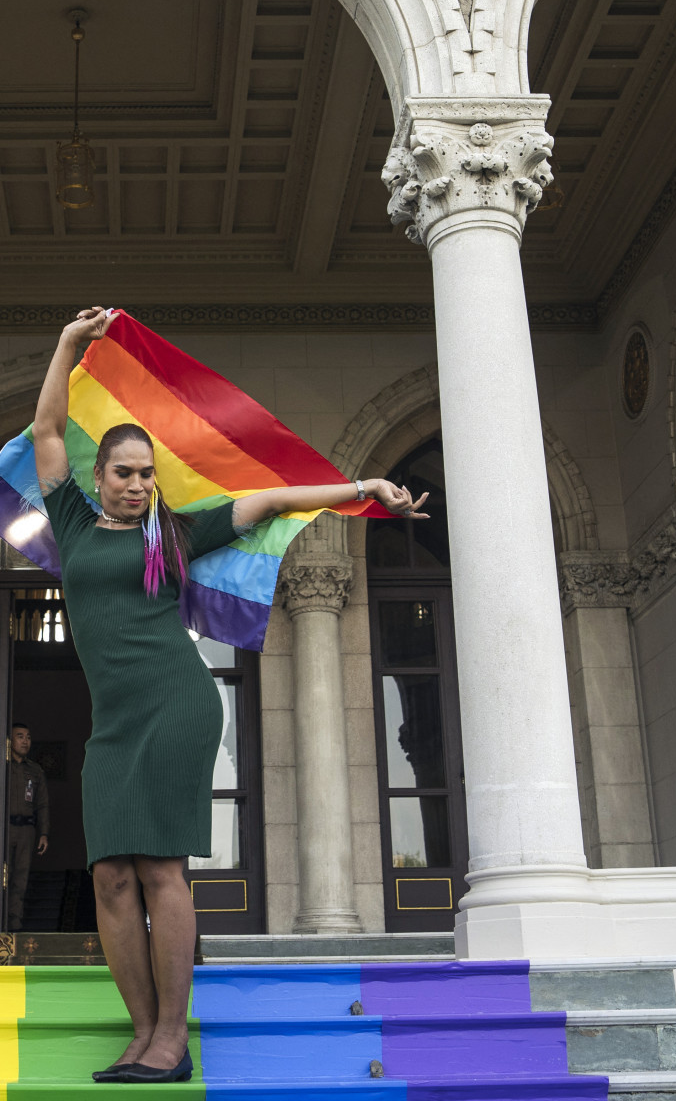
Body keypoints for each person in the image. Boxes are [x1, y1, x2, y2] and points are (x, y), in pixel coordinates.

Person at [33, 308, 427, 1085]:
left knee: (159, 870)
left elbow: (270, 502)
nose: (139, 484)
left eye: (147, 474)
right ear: (100, 476)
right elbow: (48, 431)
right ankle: (140, 1035)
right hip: (113, 723)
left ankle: (172, 1041)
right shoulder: (73, 522)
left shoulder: (173, 535)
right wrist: (67, 346)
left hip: (177, 704)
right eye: (125, 472)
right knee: (109, 873)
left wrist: (363, 488)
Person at [3, 722, 51, 931]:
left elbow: (42, 804)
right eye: (20, 736)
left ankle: (14, 923)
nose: (25, 741)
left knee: (21, 877)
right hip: (3, 829)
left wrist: (44, 833)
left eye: (28, 737)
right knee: (3, 874)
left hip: (26, 831)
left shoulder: (35, 770)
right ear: (10, 740)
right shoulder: (1, 766)